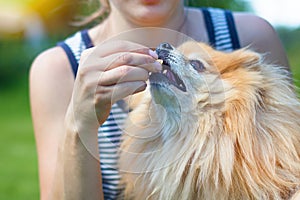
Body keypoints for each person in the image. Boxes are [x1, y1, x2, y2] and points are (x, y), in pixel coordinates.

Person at [29, 0, 291, 199]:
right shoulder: (59, 69)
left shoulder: (249, 35)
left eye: (197, 64)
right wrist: (80, 122)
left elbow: (288, 166)